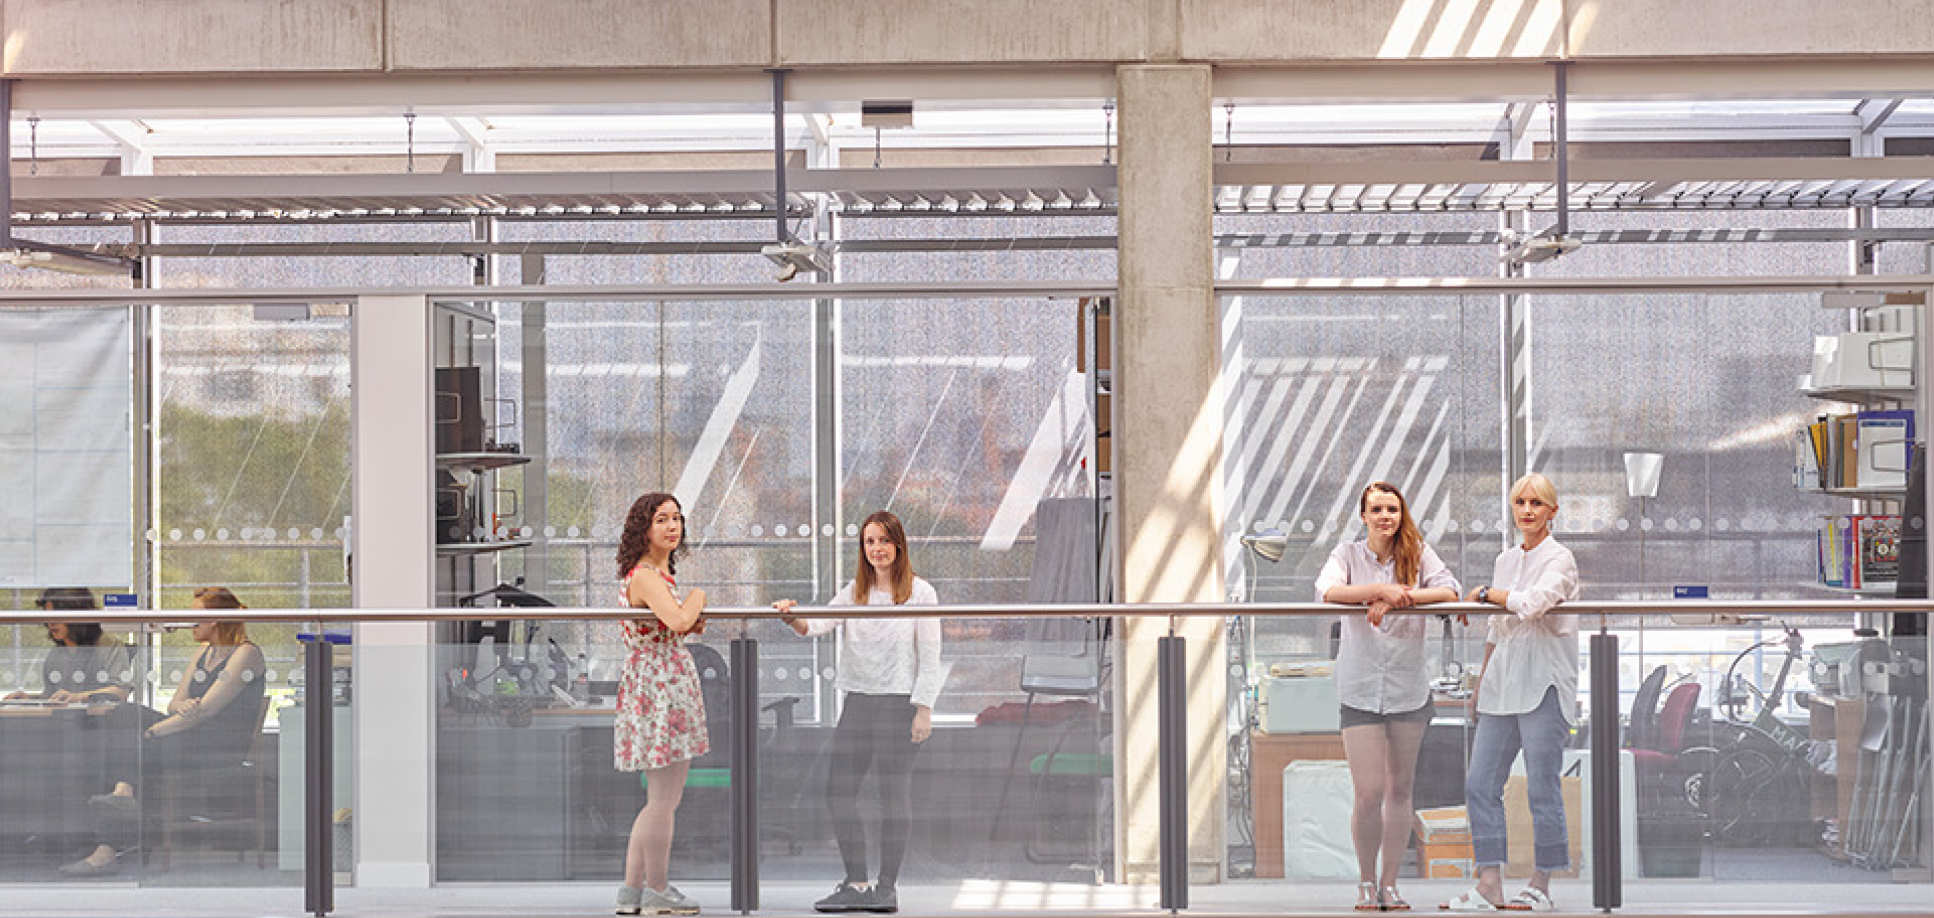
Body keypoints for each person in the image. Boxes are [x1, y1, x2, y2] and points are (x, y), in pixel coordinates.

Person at [772, 511, 942, 915]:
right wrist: (791, 616)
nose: (877, 549)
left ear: (898, 545)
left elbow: (931, 657)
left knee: (892, 797)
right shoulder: (854, 592)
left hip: (899, 704)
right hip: (859, 703)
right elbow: (817, 626)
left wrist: (924, 710)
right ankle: (856, 882)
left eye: (884, 541)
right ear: (862, 549)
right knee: (839, 791)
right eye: (869, 542)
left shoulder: (921, 593)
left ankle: (886, 889)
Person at [1314, 482, 1460, 912]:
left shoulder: (1418, 553)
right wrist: (1379, 592)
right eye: (1376, 509)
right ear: (1363, 515)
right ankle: (1364, 881)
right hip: (1359, 687)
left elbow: (1450, 591)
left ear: (1401, 513)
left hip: (1407, 688)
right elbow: (1329, 591)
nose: (1385, 516)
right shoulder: (1347, 554)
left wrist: (1404, 597)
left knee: (1401, 789)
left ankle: (1391, 883)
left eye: (1392, 509)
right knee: (1368, 792)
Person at [1444, 473, 1580, 913]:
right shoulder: (1505, 560)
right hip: (1501, 685)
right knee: (1480, 782)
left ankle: (1541, 883)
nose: (1527, 510)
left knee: (1543, 786)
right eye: (1520, 502)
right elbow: (1496, 626)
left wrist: (1486, 593)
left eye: (1536, 503)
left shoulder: (1561, 559)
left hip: (1543, 684)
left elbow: (1532, 604)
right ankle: (1489, 884)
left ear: (1551, 511)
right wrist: (1481, 681)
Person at [62, 587, 266, 876]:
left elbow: (206, 712)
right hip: (187, 734)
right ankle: (122, 795)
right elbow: (174, 704)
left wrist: (153, 732)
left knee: (134, 744)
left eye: (194, 616)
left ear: (217, 620)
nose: (187, 621)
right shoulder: (203, 653)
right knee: (125, 712)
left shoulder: (246, 653)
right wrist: (183, 708)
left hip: (217, 746)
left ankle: (108, 843)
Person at [613, 492, 709, 917]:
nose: (672, 527)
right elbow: (680, 620)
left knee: (657, 799)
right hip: (660, 688)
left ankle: (632, 893)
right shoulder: (647, 575)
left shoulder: (653, 576)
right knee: (664, 801)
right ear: (644, 529)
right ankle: (657, 891)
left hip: (658, 684)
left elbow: (671, 624)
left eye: (677, 519)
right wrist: (700, 597)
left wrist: (685, 612)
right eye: (662, 520)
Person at [3, 588, 133, 704]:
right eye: (48, 616)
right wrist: (29, 700)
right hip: (65, 724)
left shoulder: (108, 645)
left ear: (78, 616)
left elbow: (120, 691)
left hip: (101, 725)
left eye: (57, 616)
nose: (51, 623)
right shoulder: (56, 654)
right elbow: (52, 697)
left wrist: (79, 697)